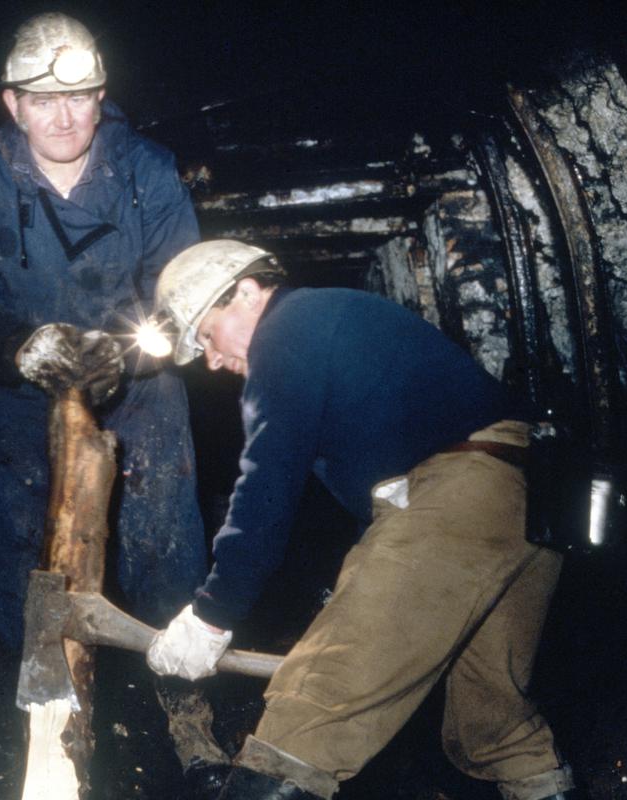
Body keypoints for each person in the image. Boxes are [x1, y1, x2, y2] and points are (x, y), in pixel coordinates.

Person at [145, 240, 581, 800]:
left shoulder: (286, 330)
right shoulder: (334, 318)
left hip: (462, 495)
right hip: (525, 500)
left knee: (308, 716)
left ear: (248, 293)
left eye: (206, 334)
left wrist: (212, 614)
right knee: (493, 725)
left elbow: (265, 486)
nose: (210, 359)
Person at [0, 13, 228, 792]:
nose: (64, 118)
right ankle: (46, 722)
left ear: (102, 96)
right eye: (43, 101)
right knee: (28, 554)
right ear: (13, 103)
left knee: (167, 538)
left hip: (139, 389)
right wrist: (18, 348)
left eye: (82, 97)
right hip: (26, 391)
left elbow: (187, 286)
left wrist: (141, 345)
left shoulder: (147, 169)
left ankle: (187, 711)